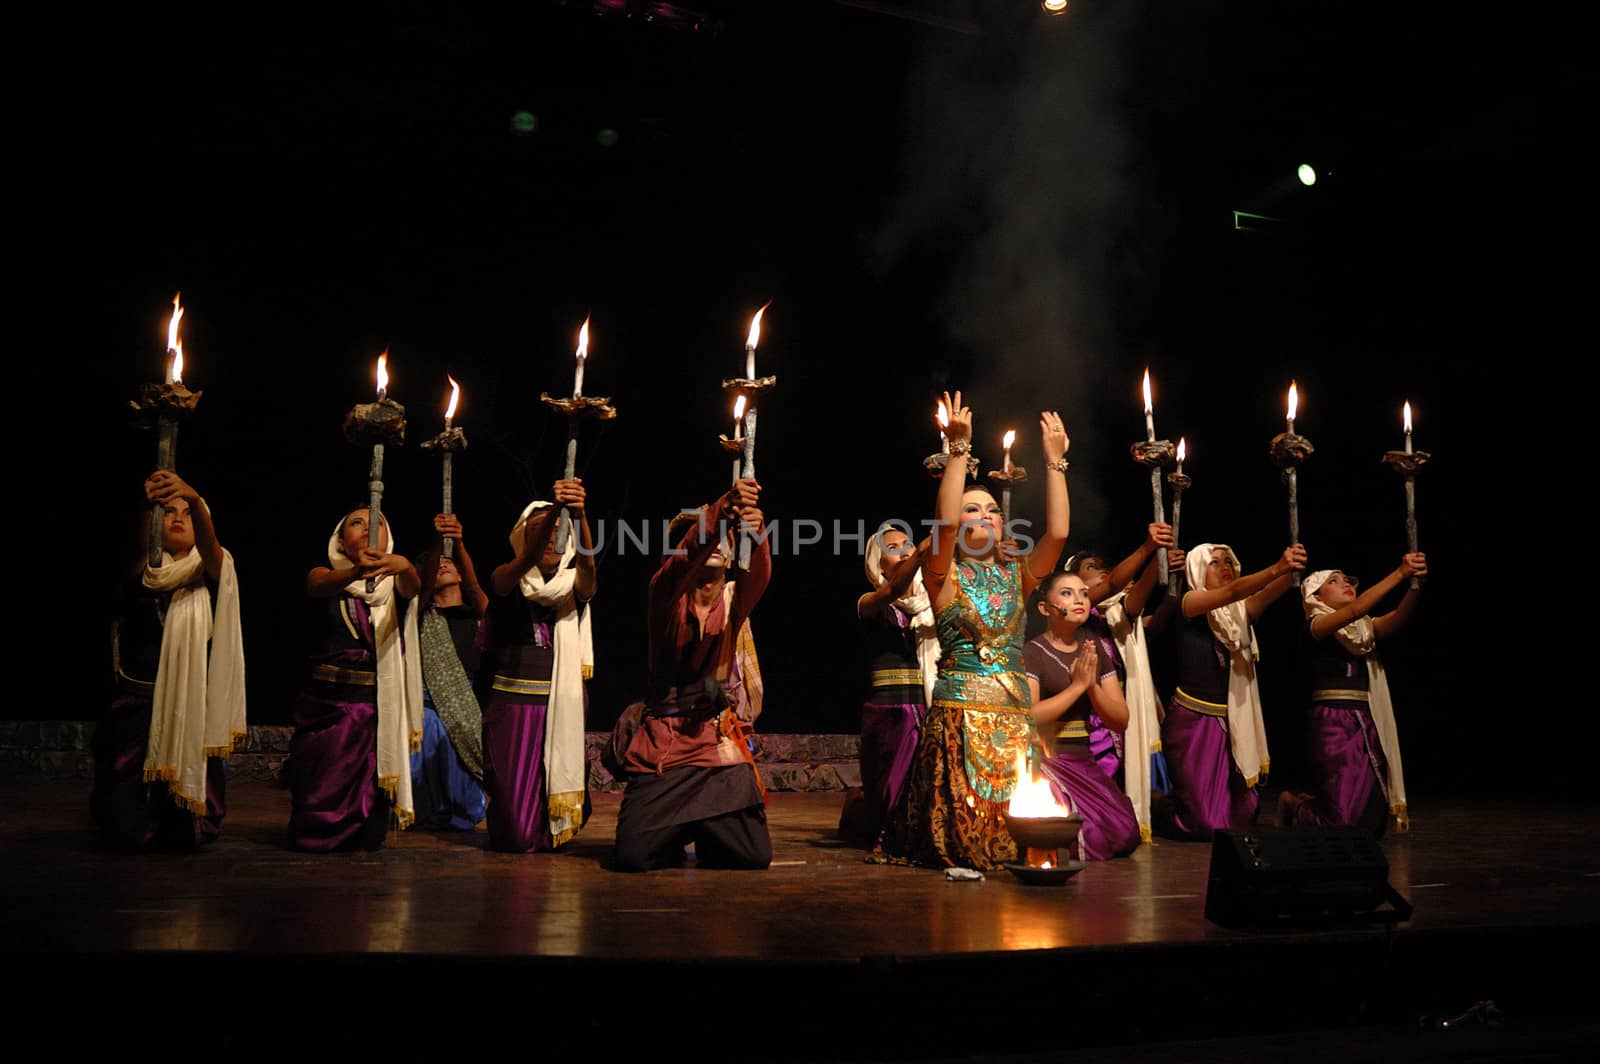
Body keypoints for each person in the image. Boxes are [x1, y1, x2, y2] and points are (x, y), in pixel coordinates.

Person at [874, 392, 1070, 870]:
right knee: (962, 843)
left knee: (1020, 838)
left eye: (991, 509)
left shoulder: (1019, 576)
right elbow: (940, 524)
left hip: (1012, 715)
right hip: (959, 717)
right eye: (971, 509)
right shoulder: (943, 576)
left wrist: (1055, 463)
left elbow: (1059, 535)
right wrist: (958, 450)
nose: (983, 514)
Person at [606, 476, 770, 872]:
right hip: (666, 742)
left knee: (752, 854)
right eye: (696, 539)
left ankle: (696, 824)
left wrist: (756, 531)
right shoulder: (664, 596)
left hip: (714, 740)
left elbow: (760, 574)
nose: (711, 545)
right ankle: (680, 828)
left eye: (720, 541)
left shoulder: (733, 603)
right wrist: (721, 510)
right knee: (632, 857)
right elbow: (684, 558)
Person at [94, 471, 245, 852]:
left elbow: (215, 554)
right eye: (168, 512)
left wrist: (193, 498)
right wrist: (147, 508)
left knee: (183, 828)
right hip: (137, 698)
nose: (179, 517)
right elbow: (135, 560)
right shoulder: (141, 571)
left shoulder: (207, 573)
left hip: (189, 703)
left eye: (188, 513)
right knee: (127, 807)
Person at [288, 507, 424, 851]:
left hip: (374, 707)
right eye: (357, 523)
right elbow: (316, 584)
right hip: (327, 706)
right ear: (340, 541)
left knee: (368, 827)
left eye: (377, 522)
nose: (367, 527)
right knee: (319, 789)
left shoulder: (394, 585)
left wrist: (404, 565)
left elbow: (413, 586)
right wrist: (354, 572)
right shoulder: (329, 576)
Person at [1159, 541, 1305, 841]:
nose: (1225, 567)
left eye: (1228, 561)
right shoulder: (1189, 602)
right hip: (1193, 722)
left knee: (1242, 818)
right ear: (1197, 570)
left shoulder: (1237, 613)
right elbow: (1230, 592)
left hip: (1230, 720)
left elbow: (1262, 594)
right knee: (1204, 825)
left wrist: (1291, 571)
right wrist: (1277, 567)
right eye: (1214, 562)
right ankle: (1158, 806)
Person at [481, 479, 596, 852]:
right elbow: (526, 560)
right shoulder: (506, 577)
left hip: (561, 704)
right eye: (543, 531)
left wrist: (578, 516)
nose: (552, 539)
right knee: (516, 834)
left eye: (560, 533)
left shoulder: (571, 582)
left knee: (549, 818)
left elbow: (589, 566)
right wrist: (557, 513)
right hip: (514, 710)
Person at [1281, 554, 1427, 835]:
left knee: (1370, 823)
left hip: (1367, 719)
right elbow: (1353, 611)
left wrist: (1414, 586)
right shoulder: (1315, 625)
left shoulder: (1363, 630)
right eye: (1333, 581)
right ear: (1316, 596)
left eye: (1346, 579)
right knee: (1340, 821)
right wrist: (1399, 573)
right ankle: (1295, 806)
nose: (1345, 583)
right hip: (1331, 724)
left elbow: (1398, 618)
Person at [1064, 525, 1179, 841]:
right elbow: (1114, 582)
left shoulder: (1114, 615)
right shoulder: (1073, 613)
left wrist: (1161, 559)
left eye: (1102, 567)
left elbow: (1139, 591)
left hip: (1117, 708)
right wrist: (1147, 548)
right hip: (1083, 712)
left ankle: (1116, 823)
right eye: (1091, 568)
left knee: (1121, 773)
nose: (1101, 572)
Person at [1024, 571, 1141, 859]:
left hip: (1084, 760)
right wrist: (1077, 687)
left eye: (1084, 593)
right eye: (1067, 593)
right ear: (1044, 609)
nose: (1079, 599)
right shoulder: (1033, 651)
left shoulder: (1094, 647)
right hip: (1047, 761)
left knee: (1125, 833)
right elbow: (1031, 716)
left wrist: (1091, 688)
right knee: (1088, 837)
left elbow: (1120, 719)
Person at [839, 524, 935, 845]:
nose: (904, 550)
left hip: (927, 706)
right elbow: (892, 592)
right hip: (889, 712)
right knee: (887, 798)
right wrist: (922, 551)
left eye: (906, 544)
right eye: (892, 547)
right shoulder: (870, 602)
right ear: (877, 564)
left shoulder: (931, 605)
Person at [410, 513, 489, 831]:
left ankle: (469, 803)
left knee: (454, 727)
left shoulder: (479, 617)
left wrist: (458, 543)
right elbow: (425, 587)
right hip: (427, 703)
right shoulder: (420, 616)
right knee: (428, 725)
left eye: (449, 562)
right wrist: (436, 542)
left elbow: (474, 587)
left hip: (465, 706)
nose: (443, 564)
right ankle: (423, 807)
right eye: (435, 562)